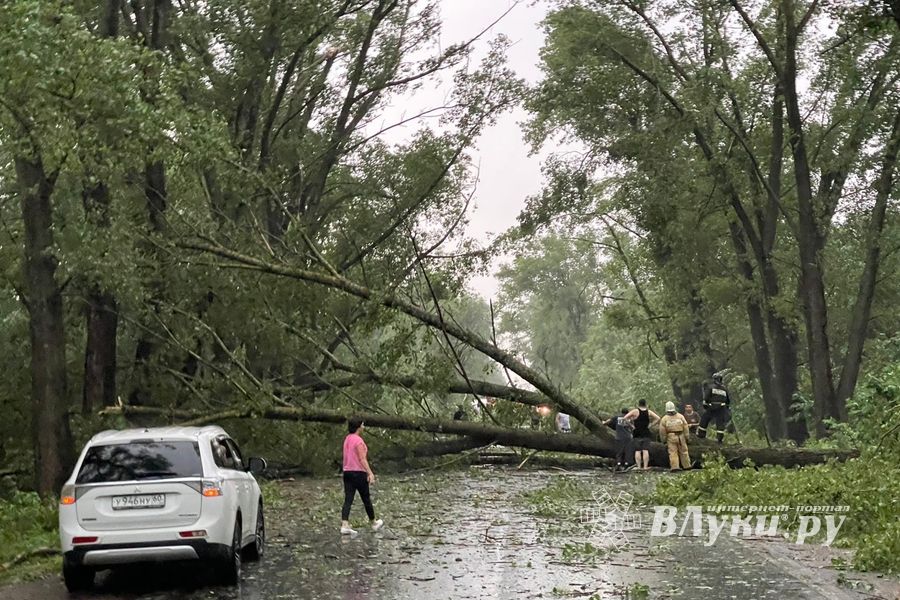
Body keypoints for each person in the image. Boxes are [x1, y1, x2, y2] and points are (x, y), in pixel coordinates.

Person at [340, 418, 384, 535]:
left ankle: (344, 524)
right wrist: (370, 473)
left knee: (348, 499)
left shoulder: (347, 439)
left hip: (347, 472)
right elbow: (362, 459)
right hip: (358, 472)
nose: (364, 426)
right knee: (366, 498)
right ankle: (373, 522)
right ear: (359, 426)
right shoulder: (358, 441)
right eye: (363, 424)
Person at [625, 399, 660, 470]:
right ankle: (645, 466)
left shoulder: (635, 411)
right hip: (646, 432)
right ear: (645, 404)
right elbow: (658, 418)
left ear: (638, 404)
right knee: (645, 450)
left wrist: (631, 426)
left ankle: (638, 466)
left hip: (637, 432)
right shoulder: (648, 411)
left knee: (637, 450)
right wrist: (651, 425)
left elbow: (625, 418)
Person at [697, 374, 732, 444]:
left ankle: (701, 435)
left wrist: (706, 406)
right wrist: (726, 408)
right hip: (722, 408)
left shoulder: (711, 387)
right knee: (720, 423)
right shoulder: (725, 389)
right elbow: (728, 401)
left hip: (712, 407)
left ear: (714, 379)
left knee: (705, 419)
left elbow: (706, 398)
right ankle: (719, 439)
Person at [659, 401, 691, 471]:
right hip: (681, 436)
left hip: (671, 437)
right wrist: (687, 437)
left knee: (673, 452)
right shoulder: (680, 416)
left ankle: (675, 467)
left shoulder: (664, 419)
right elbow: (685, 427)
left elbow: (662, 431)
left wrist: (663, 440)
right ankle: (687, 466)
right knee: (684, 452)